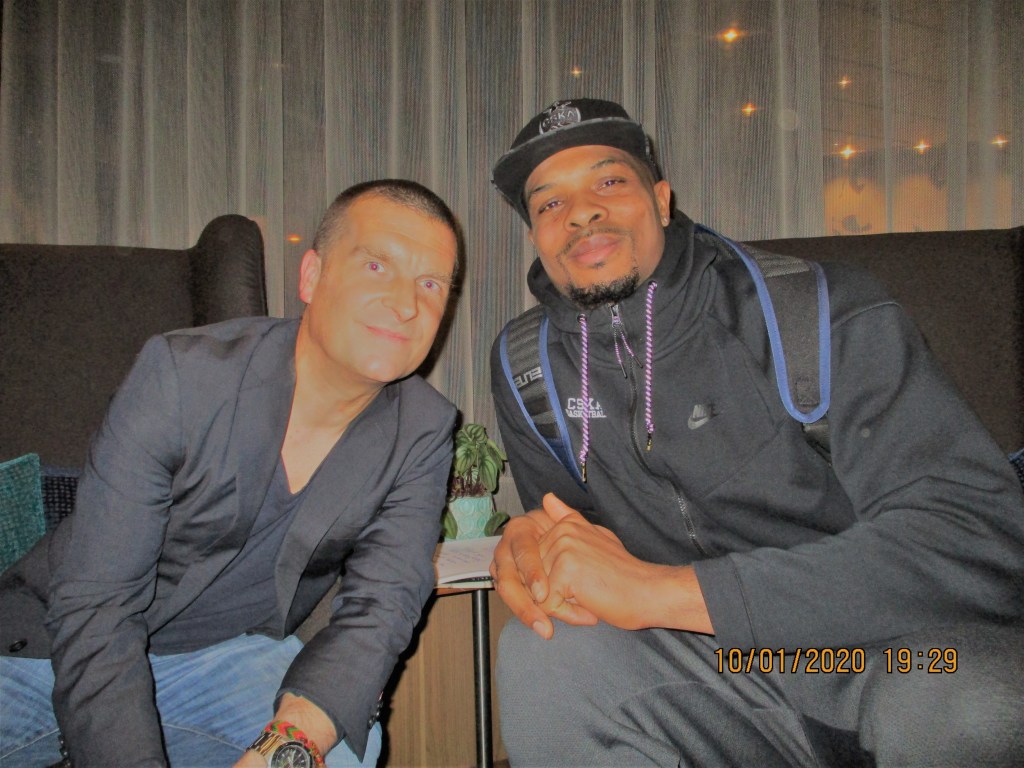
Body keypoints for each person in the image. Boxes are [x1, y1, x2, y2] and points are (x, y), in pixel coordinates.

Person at [487, 98, 1024, 766]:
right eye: (549, 203)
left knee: (974, 705)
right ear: (537, 238)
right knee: (543, 654)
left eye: (610, 181)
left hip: (898, 657)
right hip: (725, 674)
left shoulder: (818, 310)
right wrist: (536, 541)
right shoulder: (528, 368)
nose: (581, 213)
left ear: (661, 200)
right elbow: (585, 538)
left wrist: (669, 594)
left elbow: (978, 538)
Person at [0, 179, 460, 768]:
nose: (406, 304)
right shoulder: (182, 377)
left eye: (431, 284)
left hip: (214, 664)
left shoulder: (422, 430)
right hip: (43, 653)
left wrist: (284, 749)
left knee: (346, 749)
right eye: (376, 266)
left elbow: (382, 606)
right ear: (312, 277)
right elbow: (96, 607)